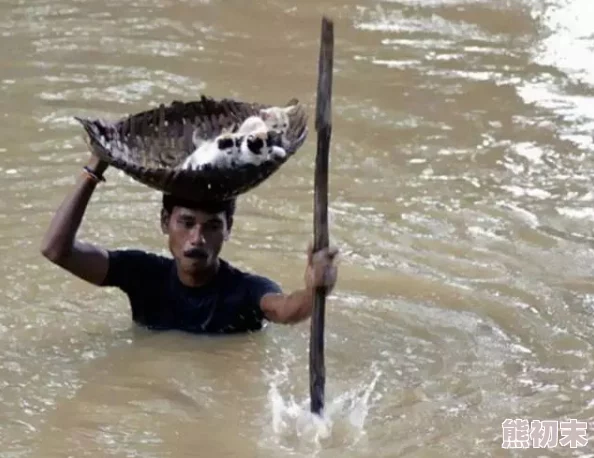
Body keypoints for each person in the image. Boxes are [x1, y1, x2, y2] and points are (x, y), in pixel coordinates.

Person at [40, 155, 339, 334]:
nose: (197, 239)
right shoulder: (142, 274)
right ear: (164, 222)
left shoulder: (246, 290)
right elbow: (56, 250)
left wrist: (315, 289)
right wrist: (94, 169)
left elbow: (286, 310)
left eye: (212, 226)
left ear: (228, 230)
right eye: (186, 223)